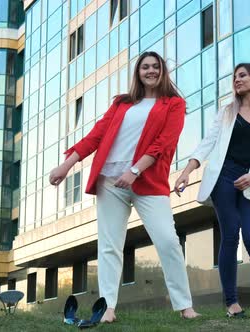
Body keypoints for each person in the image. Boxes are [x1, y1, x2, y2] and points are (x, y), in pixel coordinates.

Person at [49, 51, 200, 322]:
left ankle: (185, 305)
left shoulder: (173, 103)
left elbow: (164, 143)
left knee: (167, 241)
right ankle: (107, 309)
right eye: (145, 67)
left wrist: (134, 170)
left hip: (149, 182)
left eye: (156, 66)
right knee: (109, 245)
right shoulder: (122, 103)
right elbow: (96, 135)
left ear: (162, 71)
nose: (151, 71)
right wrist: (66, 165)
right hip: (110, 181)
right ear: (138, 73)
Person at [174, 63, 250, 318]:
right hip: (224, 178)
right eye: (235, 77)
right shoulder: (226, 112)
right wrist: (187, 171)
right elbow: (207, 143)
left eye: (242, 75)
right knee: (230, 235)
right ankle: (232, 304)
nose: (237, 80)